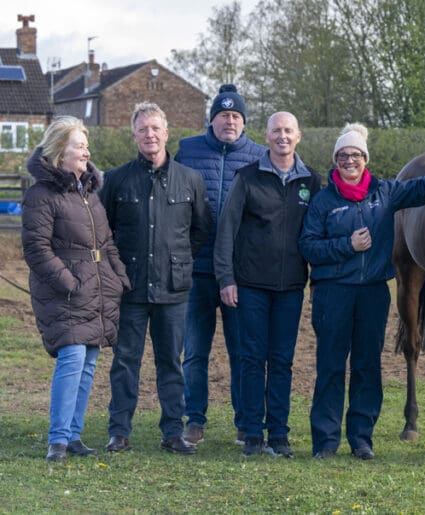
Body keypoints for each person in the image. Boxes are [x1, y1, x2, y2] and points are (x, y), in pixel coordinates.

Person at [299, 123, 425, 460]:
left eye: (356, 155)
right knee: (331, 366)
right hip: (334, 293)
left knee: (367, 367)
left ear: (365, 158)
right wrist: (347, 245)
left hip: (373, 292)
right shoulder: (322, 201)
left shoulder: (386, 193)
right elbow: (308, 247)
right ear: (336, 160)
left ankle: (362, 438)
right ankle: (326, 440)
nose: (350, 160)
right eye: (343, 155)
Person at [99, 103, 211, 454]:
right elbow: (105, 232)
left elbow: (200, 230)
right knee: (125, 362)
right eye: (143, 129)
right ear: (134, 135)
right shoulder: (117, 180)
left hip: (174, 288)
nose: (150, 135)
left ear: (167, 133)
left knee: (171, 364)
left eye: (155, 129)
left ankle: (172, 432)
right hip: (130, 287)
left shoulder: (190, 179)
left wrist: (178, 260)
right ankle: (119, 431)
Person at [22, 117, 130, 462]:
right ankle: (56, 439)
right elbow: (37, 249)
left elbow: (107, 240)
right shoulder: (42, 195)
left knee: (89, 361)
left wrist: (119, 275)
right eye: (79, 145)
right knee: (72, 357)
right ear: (59, 151)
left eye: (86, 145)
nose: (87, 151)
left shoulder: (90, 194)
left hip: (98, 287)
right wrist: (69, 282)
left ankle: (72, 436)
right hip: (64, 290)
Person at [214, 112, 321, 458]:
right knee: (250, 359)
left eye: (289, 130)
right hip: (250, 285)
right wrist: (226, 278)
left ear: (298, 136)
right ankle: (252, 434)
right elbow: (226, 230)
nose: (282, 136)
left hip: (291, 286)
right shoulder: (247, 178)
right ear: (266, 135)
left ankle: (279, 433)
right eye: (276, 131)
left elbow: (319, 231)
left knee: (282, 361)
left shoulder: (311, 181)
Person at [175, 84, 267, 445]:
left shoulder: (260, 157)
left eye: (235, 116)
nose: (229, 121)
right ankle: (194, 418)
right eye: (223, 115)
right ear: (211, 120)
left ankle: (244, 421)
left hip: (239, 273)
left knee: (242, 352)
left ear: (244, 122)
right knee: (195, 350)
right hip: (196, 270)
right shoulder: (187, 151)